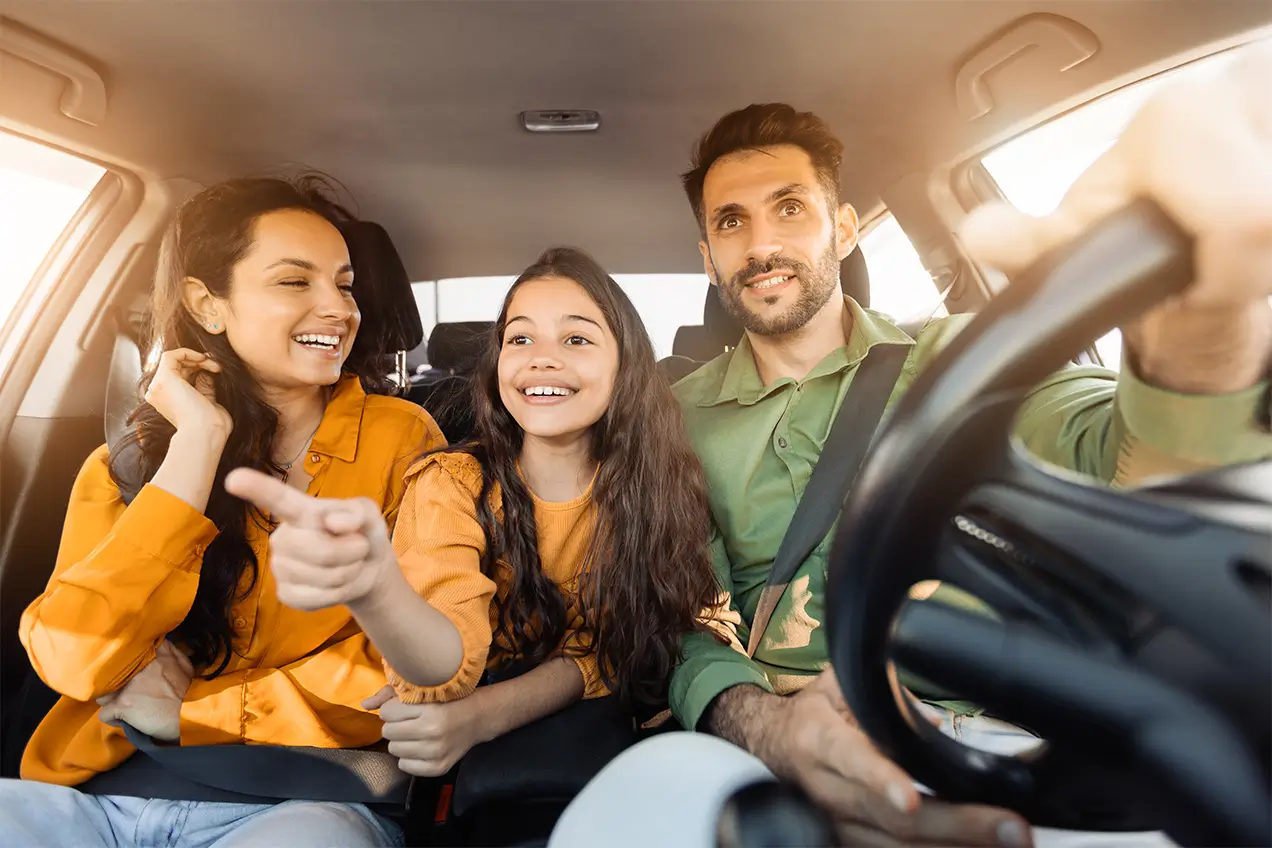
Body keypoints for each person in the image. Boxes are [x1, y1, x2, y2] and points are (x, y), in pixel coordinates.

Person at [551, 41, 1272, 848]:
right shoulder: (670, 415)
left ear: (846, 228)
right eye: (732, 221)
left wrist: (1190, 338)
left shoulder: (969, 357)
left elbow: (1117, 454)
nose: (761, 244)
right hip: (775, 744)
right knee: (627, 813)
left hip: (1005, 734)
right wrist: (771, 730)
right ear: (707, 256)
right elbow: (680, 620)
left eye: (790, 207)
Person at [0, 177, 445, 847]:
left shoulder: (405, 441)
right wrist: (196, 448)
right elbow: (72, 657)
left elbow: (414, 666)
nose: (337, 309)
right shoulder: (125, 464)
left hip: (299, 798)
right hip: (99, 793)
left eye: (346, 285)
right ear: (207, 304)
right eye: (295, 283)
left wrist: (198, 710)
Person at [229, 246, 723, 778]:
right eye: (520, 338)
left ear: (625, 365)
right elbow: (444, 669)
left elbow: (619, 648)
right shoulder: (451, 483)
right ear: (497, 365)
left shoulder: (657, 486)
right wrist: (379, 594)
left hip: (614, 756)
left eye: (576, 338)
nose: (542, 357)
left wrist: (484, 717)